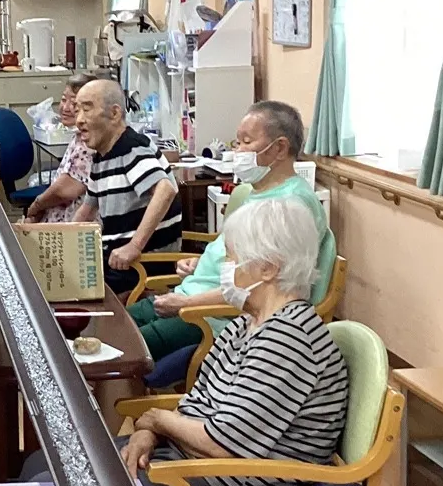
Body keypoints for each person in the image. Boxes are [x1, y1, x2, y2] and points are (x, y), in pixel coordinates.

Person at [120, 195, 349, 486]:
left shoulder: (287, 339)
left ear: (267, 268)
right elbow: (195, 408)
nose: (224, 270)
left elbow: (222, 444)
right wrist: (148, 431)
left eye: (230, 259)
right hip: (189, 464)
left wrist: (156, 420)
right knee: (53, 469)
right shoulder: (246, 324)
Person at [128, 101, 332, 375]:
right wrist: (200, 262)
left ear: (280, 148)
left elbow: (262, 290)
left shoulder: (290, 207)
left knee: (121, 351)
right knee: (113, 326)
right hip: (191, 295)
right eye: (237, 142)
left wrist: (186, 304)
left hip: (213, 316)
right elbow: (238, 258)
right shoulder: (256, 191)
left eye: (246, 142)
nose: (237, 151)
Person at [67, 77, 181, 296]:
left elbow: (165, 189)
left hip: (141, 265)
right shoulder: (102, 157)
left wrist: (134, 246)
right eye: (77, 110)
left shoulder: (131, 148)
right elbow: (86, 211)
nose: (79, 120)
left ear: (115, 113)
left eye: (87, 109)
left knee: (75, 299)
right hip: (116, 262)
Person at [25, 71, 100, 224]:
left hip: (74, 232)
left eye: (74, 104)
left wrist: (37, 205)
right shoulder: (79, 136)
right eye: (63, 99)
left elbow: (65, 190)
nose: (66, 108)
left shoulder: (91, 143)